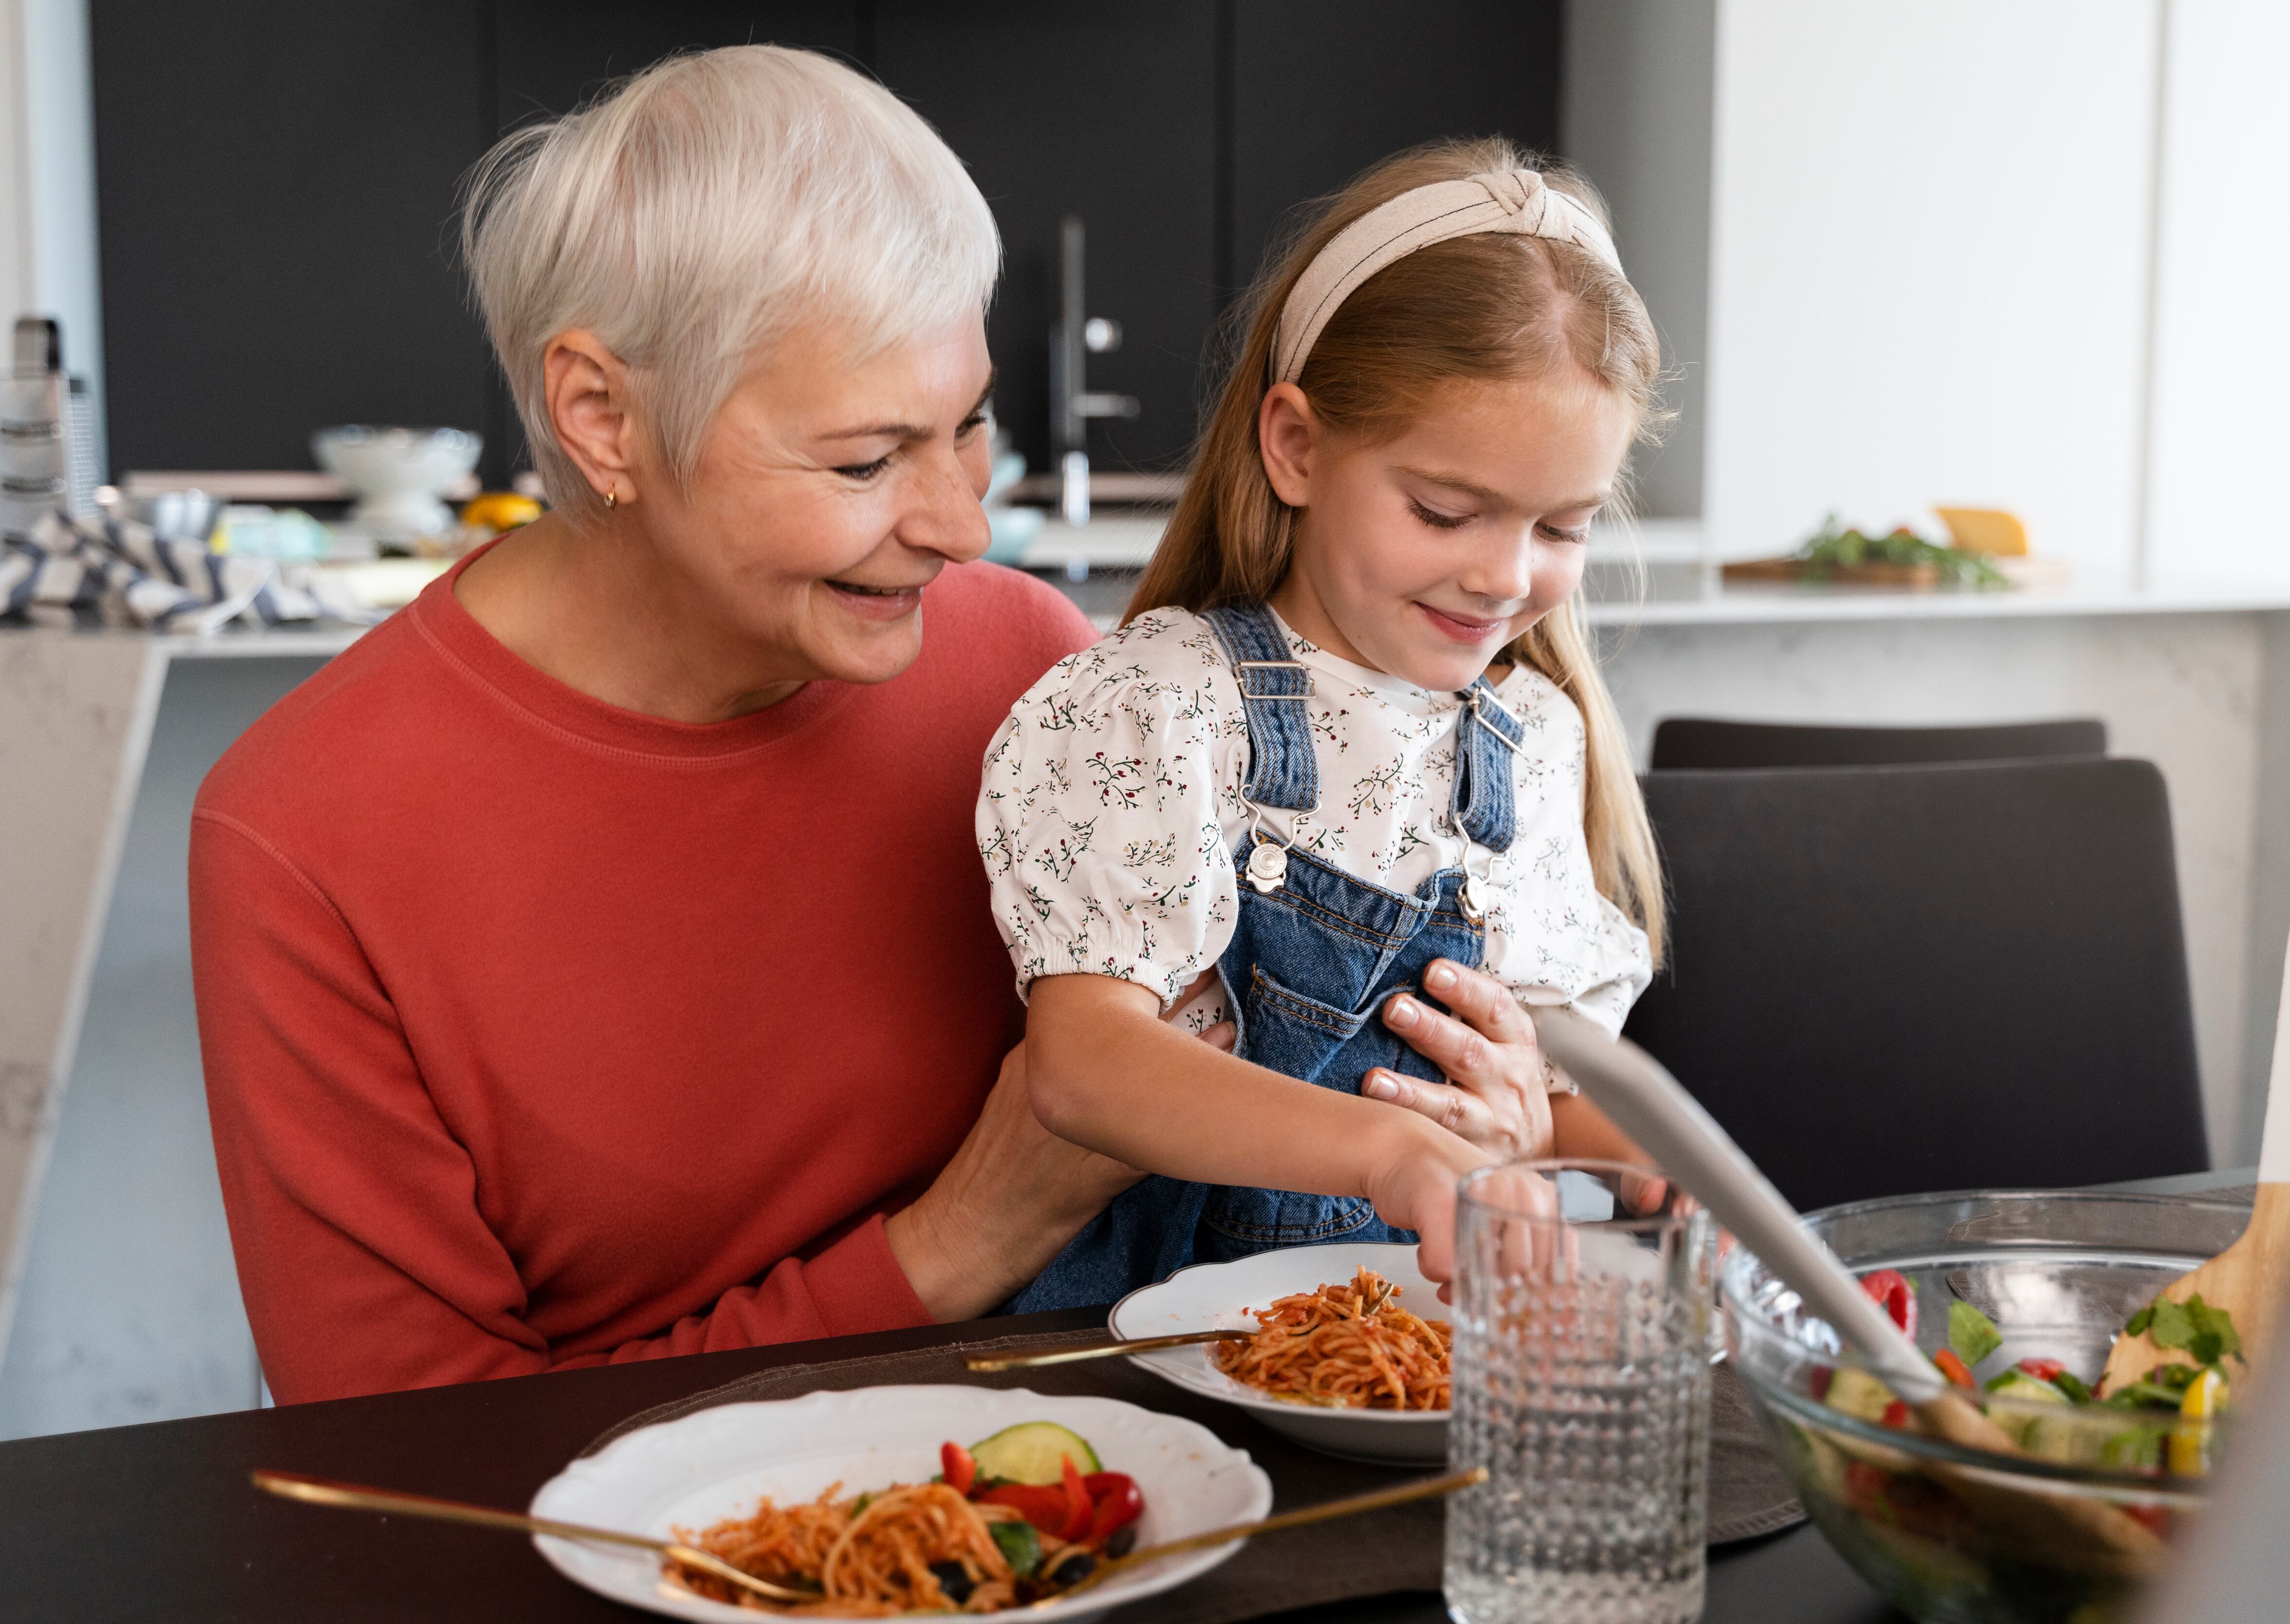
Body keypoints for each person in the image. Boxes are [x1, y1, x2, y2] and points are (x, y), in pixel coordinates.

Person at [191, 49, 1543, 1403]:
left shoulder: (1038, 669)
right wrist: (966, 1234)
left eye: (971, 424)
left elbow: (1288, 1080)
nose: (961, 523)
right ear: (602, 418)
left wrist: (1466, 1104)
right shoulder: (304, 835)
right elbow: (412, 1451)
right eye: (864, 459)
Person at [980, 139, 1666, 1312]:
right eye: (1445, 510)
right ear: (1295, 446)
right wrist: (1386, 1153)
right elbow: (1084, 1066)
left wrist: (1655, 1166)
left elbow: (1544, 1085)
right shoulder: (1164, 705)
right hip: (1153, 1335)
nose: (1506, 576)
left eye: (1561, 527)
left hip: (1404, 1337)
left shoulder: (1529, 736)